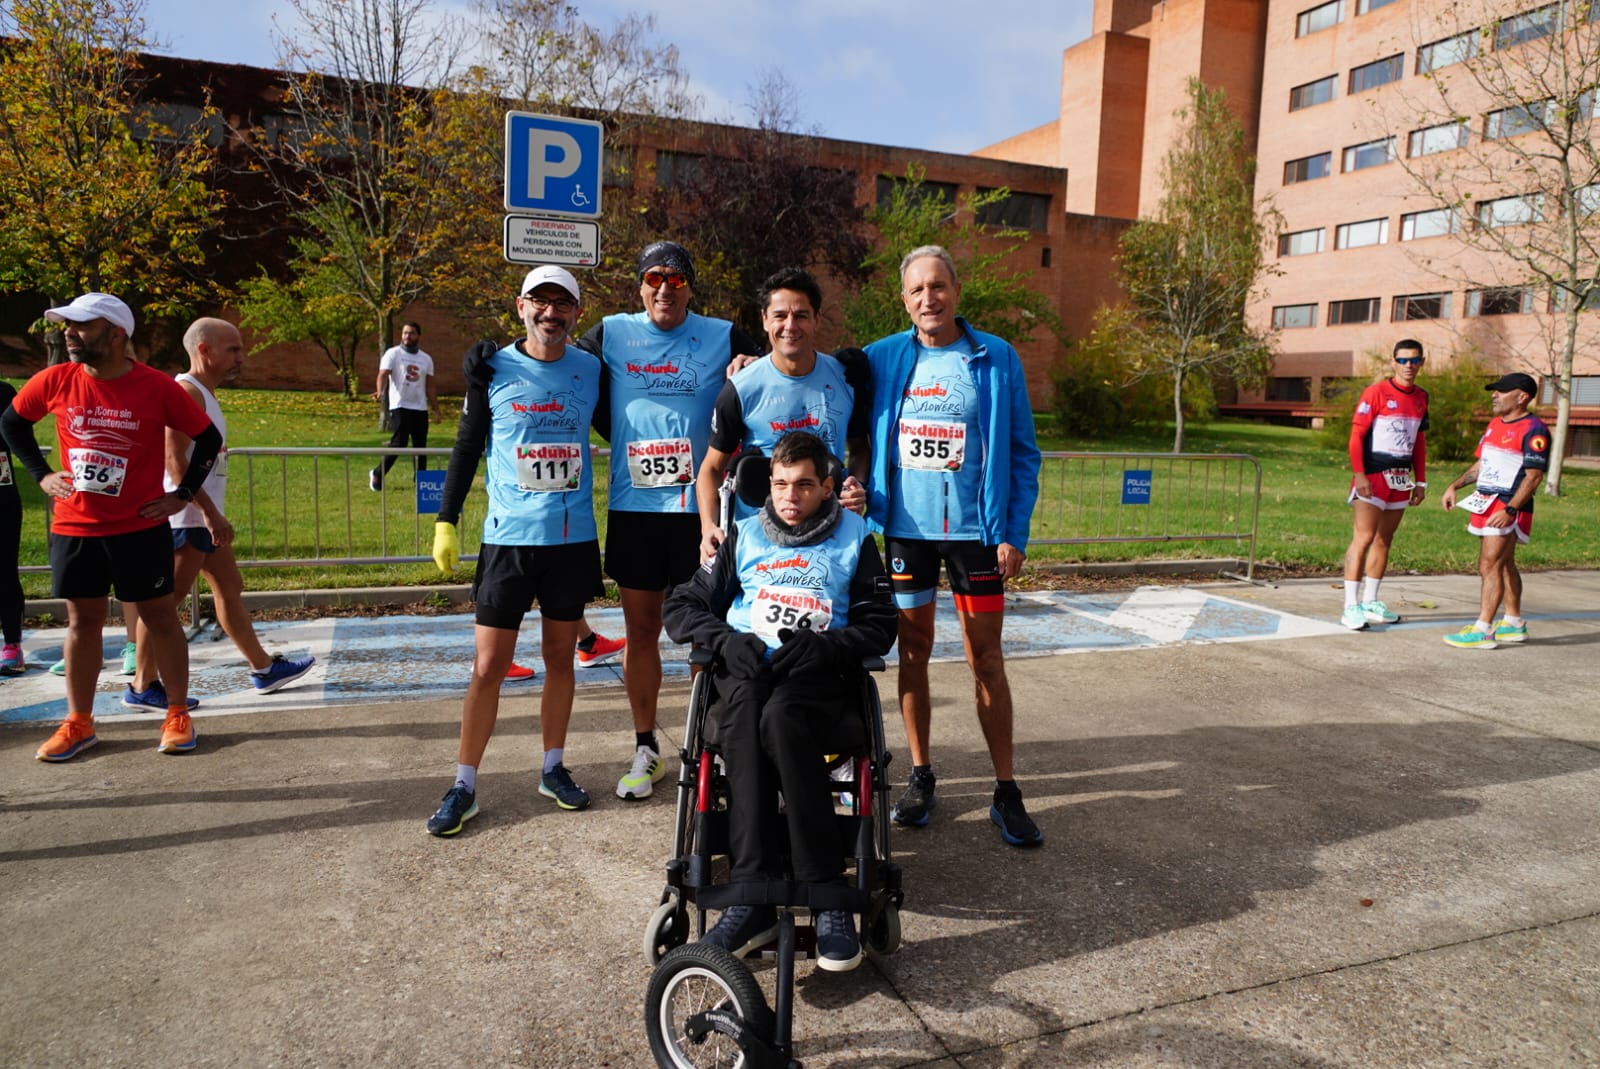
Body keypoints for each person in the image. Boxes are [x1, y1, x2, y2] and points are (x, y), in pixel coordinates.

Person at [663, 431, 896, 970]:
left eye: (805, 485)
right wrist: (725, 640)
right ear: (768, 484)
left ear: (827, 488)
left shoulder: (855, 538)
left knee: (781, 717)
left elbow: (881, 624)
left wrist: (830, 645)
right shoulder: (743, 535)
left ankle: (824, 888)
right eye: (781, 484)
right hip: (747, 666)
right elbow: (682, 605)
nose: (791, 496)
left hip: (816, 674)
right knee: (747, 713)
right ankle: (751, 895)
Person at [861, 245, 1044, 848]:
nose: (928, 299)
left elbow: (1022, 451)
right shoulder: (883, 357)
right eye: (916, 290)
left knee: (984, 658)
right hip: (907, 531)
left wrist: (1013, 531)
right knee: (912, 652)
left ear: (956, 291)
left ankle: (1006, 789)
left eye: (938, 287)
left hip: (976, 536)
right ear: (904, 299)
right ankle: (920, 775)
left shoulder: (994, 357)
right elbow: (818, 380)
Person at [577, 240, 762, 802]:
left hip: (699, 514)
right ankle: (646, 747)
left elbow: (774, 367)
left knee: (709, 633)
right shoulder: (612, 332)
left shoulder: (722, 333)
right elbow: (553, 354)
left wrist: (750, 364)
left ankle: (712, 740)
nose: (664, 288)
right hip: (635, 510)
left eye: (676, 280)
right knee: (641, 633)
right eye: (654, 278)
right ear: (639, 285)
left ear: (690, 288)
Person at [0, 293, 221, 760]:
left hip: (138, 529)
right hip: (76, 527)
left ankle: (177, 712)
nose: (69, 333)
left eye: (82, 326)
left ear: (117, 334)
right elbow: (12, 424)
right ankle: (79, 722)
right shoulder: (56, 380)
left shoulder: (156, 387)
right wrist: (42, 475)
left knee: (160, 617)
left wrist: (180, 496)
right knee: (83, 622)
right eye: (67, 326)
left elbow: (208, 439)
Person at [425, 266, 604, 835]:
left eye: (563, 305)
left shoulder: (592, 369)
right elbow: (467, 445)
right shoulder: (491, 366)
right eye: (541, 303)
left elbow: (641, 412)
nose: (552, 314)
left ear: (578, 314)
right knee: (488, 666)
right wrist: (446, 520)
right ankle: (463, 783)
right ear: (521, 306)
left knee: (559, 659)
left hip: (571, 541)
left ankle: (553, 767)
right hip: (508, 540)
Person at [125, 318, 316, 705]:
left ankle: (264, 669)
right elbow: (173, 461)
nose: (241, 357)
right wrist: (209, 512)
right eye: (232, 349)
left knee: (229, 588)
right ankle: (143, 686)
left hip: (201, 517)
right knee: (162, 606)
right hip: (187, 518)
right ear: (203, 350)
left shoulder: (204, 394)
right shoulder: (186, 392)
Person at [695, 266, 869, 561]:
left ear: (816, 319)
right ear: (765, 320)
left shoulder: (846, 379)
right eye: (780, 315)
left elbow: (860, 449)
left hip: (831, 536)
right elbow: (711, 469)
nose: (790, 325)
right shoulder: (741, 386)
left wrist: (857, 484)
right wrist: (708, 526)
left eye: (801, 315)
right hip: (760, 539)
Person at [1439, 372, 1550, 650]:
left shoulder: (1534, 429)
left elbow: (1534, 477)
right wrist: (1455, 485)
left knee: (1490, 564)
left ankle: (1483, 630)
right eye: (1495, 391)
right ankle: (1513, 623)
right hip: (1485, 500)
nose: (1494, 395)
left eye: (1502, 391)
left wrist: (1511, 509)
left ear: (1522, 397)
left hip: (1507, 504)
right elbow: (1482, 465)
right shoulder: (1493, 424)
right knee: (1504, 563)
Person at [1340, 339, 1430, 631]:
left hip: (1401, 479)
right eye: (1403, 360)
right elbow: (1356, 437)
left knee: (1384, 540)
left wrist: (1421, 481)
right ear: (1393, 362)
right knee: (1363, 538)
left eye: (1414, 360)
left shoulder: (1421, 397)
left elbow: (1418, 442)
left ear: (1422, 363)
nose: (1408, 366)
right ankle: (1350, 607)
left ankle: (1370, 601)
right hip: (1373, 476)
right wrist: (1360, 475)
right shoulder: (1376, 392)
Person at [368, 321, 440, 491]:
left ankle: (421, 483)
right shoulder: (393, 353)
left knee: (420, 446)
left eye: (412, 333)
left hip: (419, 407)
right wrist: (380, 391)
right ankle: (377, 473)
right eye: (405, 333)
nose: (408, 336)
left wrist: (436, 408)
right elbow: (383, 374)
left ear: (419, 336)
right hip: (400, 405)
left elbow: (430, 385)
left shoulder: (426, 359)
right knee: (399, 442)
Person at [0, 380, 23, 675]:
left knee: (4, 570)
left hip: (3, 499)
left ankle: (12, 644)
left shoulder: (4, 393)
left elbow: (15, 435)